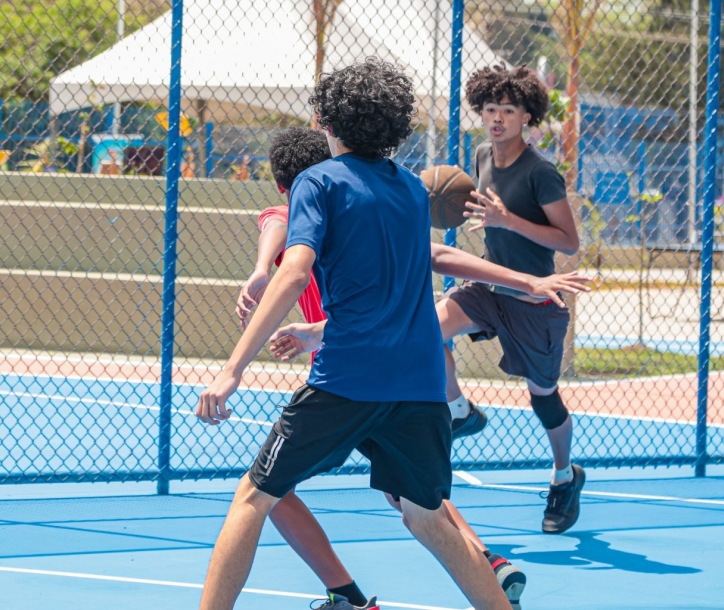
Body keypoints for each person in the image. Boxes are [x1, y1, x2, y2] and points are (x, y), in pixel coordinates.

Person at [194, 59, 514, 610]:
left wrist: (231, 369)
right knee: (428, 517)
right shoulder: (414, 192)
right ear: (395, 125)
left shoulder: (318, 182)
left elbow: (294, 272)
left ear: (328, 121)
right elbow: (425, 264)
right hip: (418, 386)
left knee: (253, 497)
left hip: (346, 381)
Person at [236, 126, 592, 609]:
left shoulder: (309, 199)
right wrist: (525, 279)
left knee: (264, 490)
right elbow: (432, 254)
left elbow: (279, 229)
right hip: (396, 370)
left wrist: (261, 281)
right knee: (416, 502)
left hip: (345, 375)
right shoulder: (366, 206)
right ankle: (486, 563)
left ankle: (348, 596)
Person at [440, 64, 586, 535]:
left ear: (527, 116)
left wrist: (509, 223)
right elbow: (486, 215)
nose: (497, 118)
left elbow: (568, 242)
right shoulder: (482, 154)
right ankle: (460, 410)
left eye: (508, 110)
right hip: (489, 287)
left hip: (533, 298)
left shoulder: (541, 173)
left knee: (543, 398)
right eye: (490, 109)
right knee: (423, 329)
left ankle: (565, 476)